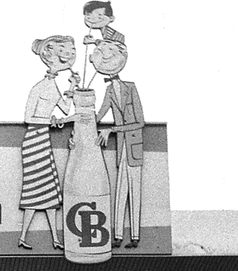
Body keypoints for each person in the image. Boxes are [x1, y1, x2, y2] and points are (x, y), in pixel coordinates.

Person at [18, 36, 78, 250]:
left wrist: (71, 87)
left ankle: (54, 238)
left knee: (50, 191)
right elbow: (28, 118)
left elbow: (64, 108)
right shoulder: (38, 87)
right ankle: (24, 236)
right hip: (34, 138)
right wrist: (49, 122)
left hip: (43, 138)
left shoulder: (52, 85)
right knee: (35, 191)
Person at [91, 39, 144, 248]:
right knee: (120, 191)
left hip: (133, 148)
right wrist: (85, 125)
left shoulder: (130, 88)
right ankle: (118, 236)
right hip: (121, 147)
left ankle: (136, 237)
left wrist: (112, 129)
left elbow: (140, 122)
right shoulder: (110, 91)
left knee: (135, 193)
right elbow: (102, 111)